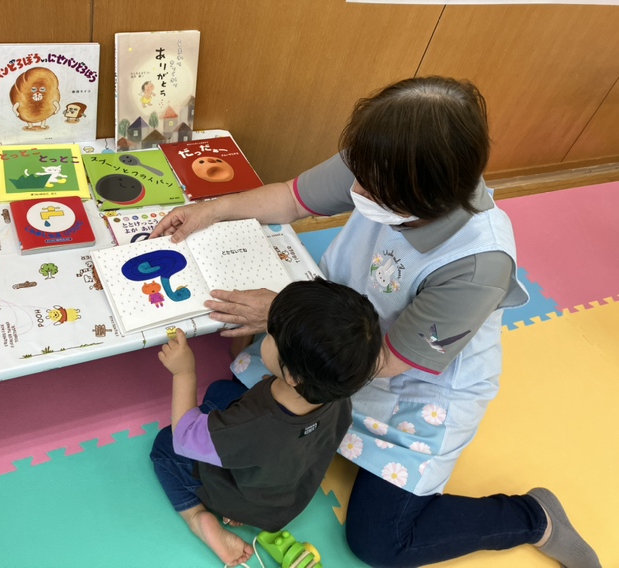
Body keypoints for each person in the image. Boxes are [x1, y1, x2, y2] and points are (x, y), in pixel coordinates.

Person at [150, 76, 601, 567]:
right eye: (359, 171)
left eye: (371, 185)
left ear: (419, 196)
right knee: (241, 404)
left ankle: (533, 518)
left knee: (380, 542)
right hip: (338, 339)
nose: (355, 187)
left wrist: (280, 316)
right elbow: (292, 199)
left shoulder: (477, 264)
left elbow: (386, 362)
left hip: (411, 381)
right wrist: (212, 210)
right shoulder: (387, 155)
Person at [149, 278, 382, 567]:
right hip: (283, 500)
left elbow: (185, 437)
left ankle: (197, 517)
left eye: (269, 335)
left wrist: (184, 372)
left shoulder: (252, 426)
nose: (265, 334)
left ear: (293, 377)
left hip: (242, 499)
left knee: (164, 447)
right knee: (221, 391)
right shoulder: (338, 394)